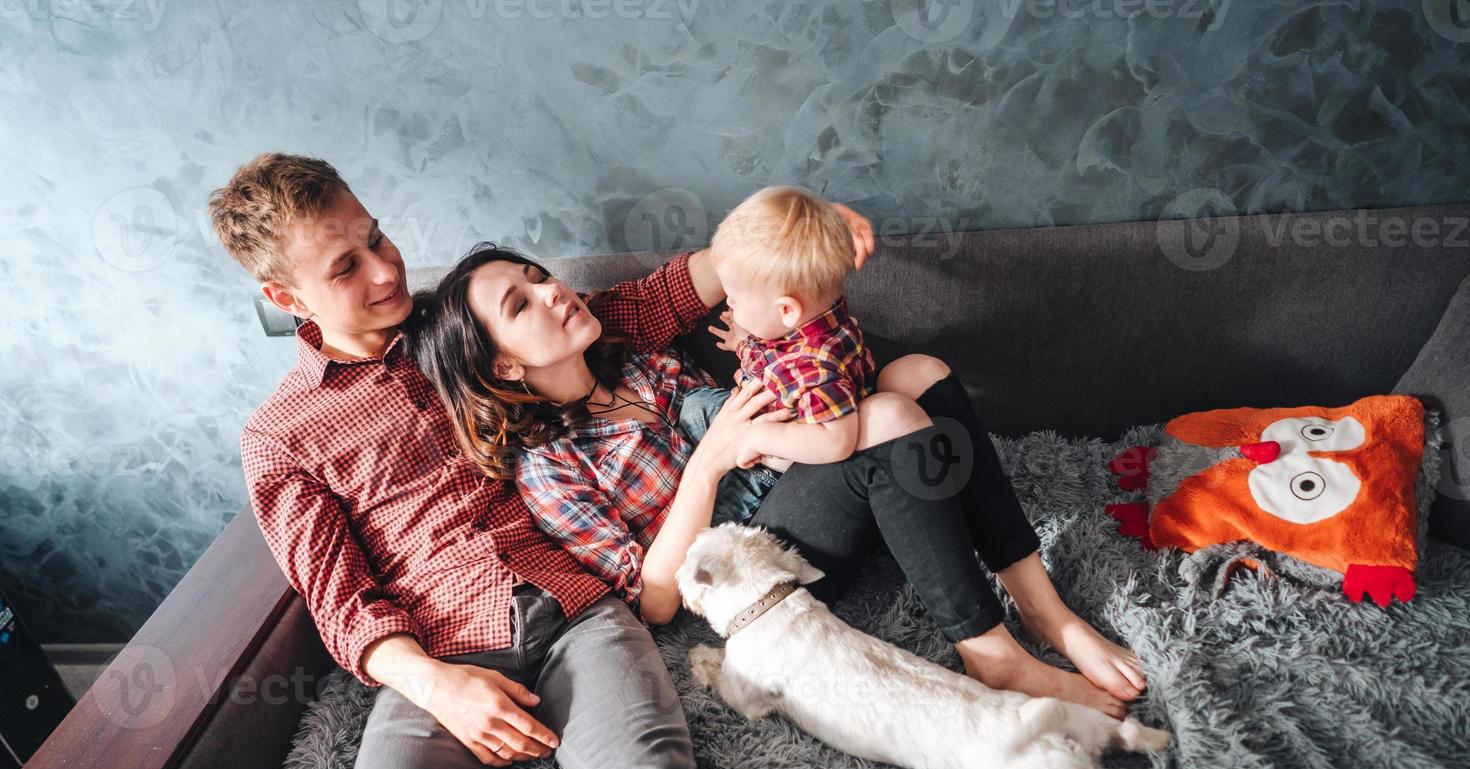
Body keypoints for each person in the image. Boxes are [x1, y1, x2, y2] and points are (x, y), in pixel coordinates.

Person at [210, 153, 721, 769]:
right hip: (437, 656)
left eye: (378, 239)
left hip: (579, 608)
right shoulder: (281, 435)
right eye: (347, 266)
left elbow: (637, 308)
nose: (386, 271)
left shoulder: (462, 322)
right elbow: (337, 599)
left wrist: (766, 241)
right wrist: (438, 685)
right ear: (284, 297)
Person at [410, 212, 1148, 722]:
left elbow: (755, 403)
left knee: (918, 373)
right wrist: (708, 464)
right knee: (890, 419)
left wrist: (768, 354)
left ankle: (1045, 611)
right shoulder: (547, 468)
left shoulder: (630, 361)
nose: (552, 289)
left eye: (539, 274)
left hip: (781, 481)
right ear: (502, 364)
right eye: (521, 302)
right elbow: (655, 602)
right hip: (745, 570)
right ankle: (990, 651)